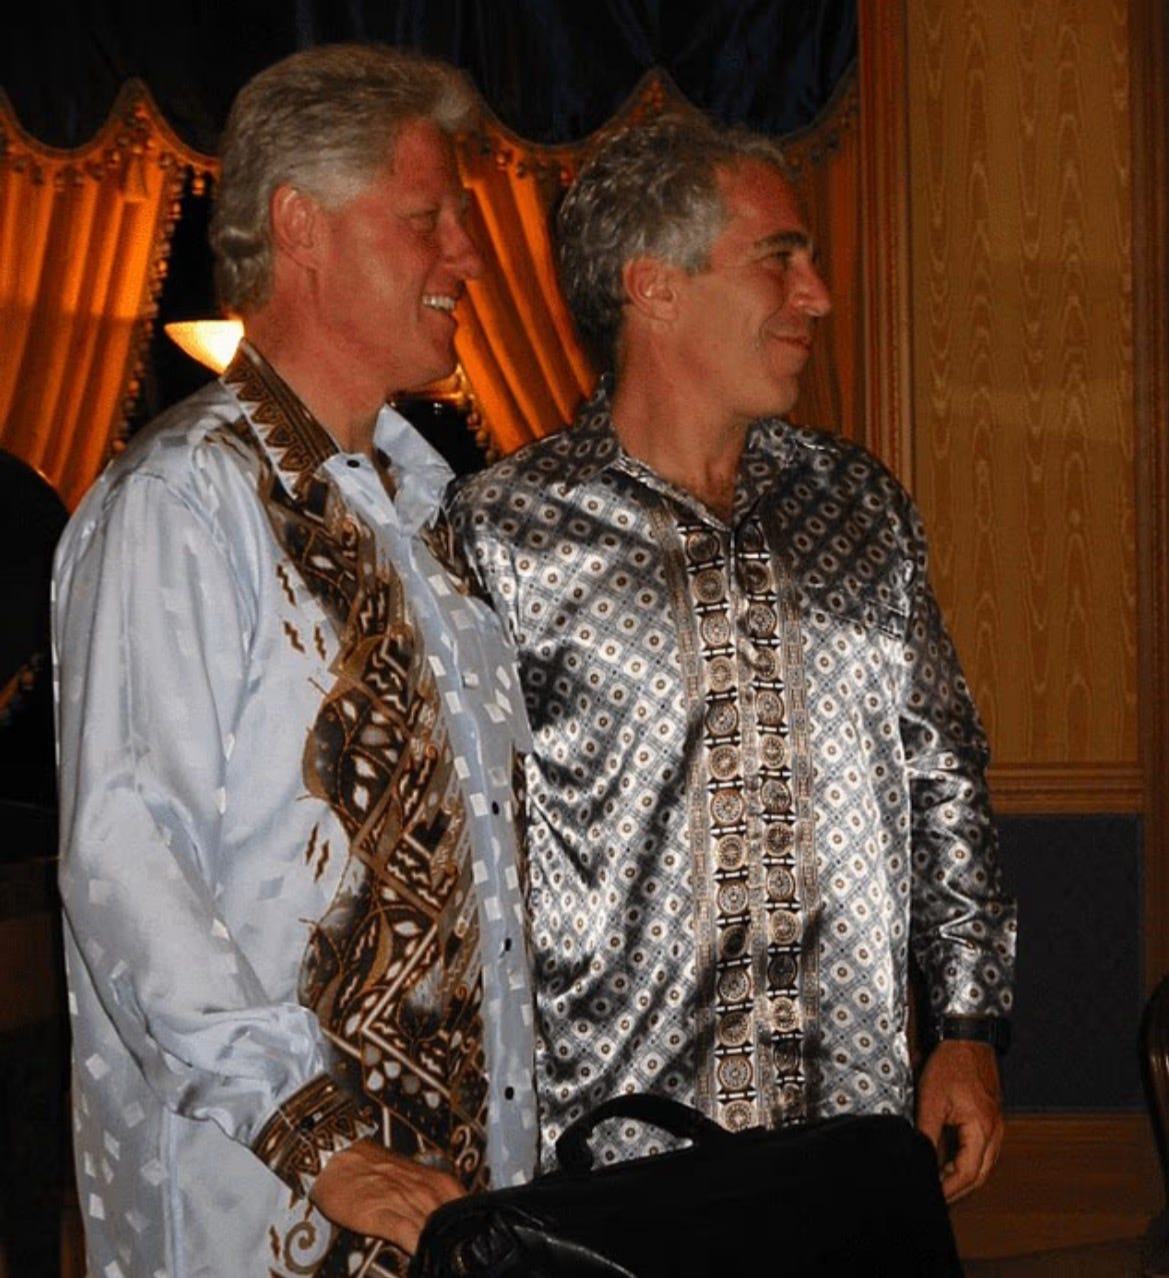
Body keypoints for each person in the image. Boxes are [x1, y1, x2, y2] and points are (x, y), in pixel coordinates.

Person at [450, 115, 1017, 1204]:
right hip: (612, 1160)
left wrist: (964, 1029)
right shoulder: (500, 533)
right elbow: (462, 862)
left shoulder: (857, 509)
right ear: (653, 287)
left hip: (849, 1131)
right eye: (779, 257)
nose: (816, 295)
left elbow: (944, 779)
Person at [53, 43, 536, 1278]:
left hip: (451, 1190)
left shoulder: (424, 509)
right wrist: (316, 1139)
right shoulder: (180, 500)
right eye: (426, 219)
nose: (466, 259)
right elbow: (126, 851)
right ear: (299, 228)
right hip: (270, 1198)